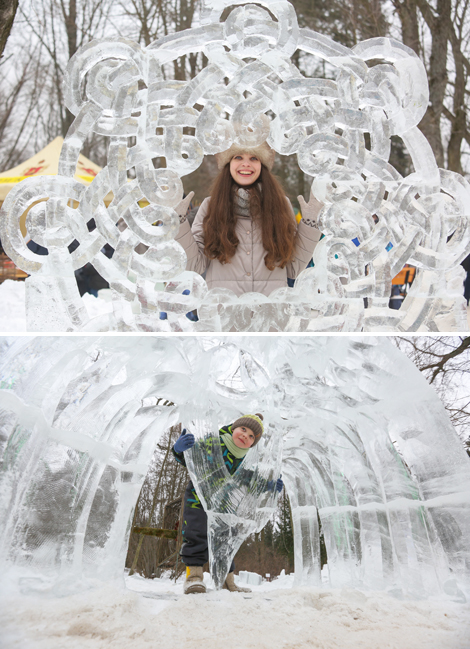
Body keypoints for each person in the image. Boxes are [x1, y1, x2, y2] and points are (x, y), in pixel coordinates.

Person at [174, 142, 324, 296]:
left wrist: (311, 223)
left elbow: (293, 268)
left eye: (254, 158)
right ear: (228, 164)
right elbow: (195, 266)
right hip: (225, 312)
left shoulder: (281, 205)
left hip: (270, 313)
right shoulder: (210, 206)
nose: (246, 164)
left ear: (262, 165)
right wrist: (177, 222)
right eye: (238, 157)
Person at [172, 413, 283, 594]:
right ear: (234, 428)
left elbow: (250, 480)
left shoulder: (244, 460)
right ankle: (194, 578)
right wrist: (179, 450)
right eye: (243, 429)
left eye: (251, 437)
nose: (245, 436)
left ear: (252, 444)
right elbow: (191, 459)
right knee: (195, 535)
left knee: (225, 540)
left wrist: (270, 486)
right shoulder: (213, 443)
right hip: (197, 501)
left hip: (223, 505)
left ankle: (226, 582)